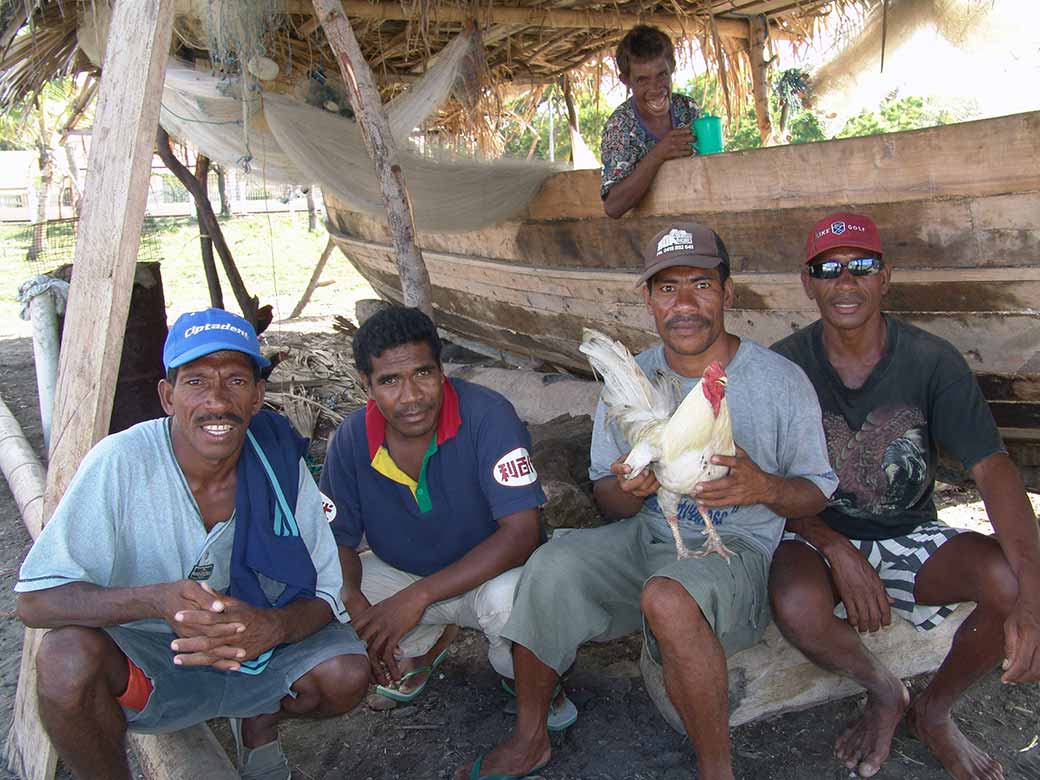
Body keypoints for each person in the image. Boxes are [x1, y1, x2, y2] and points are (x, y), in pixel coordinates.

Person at [455, 223, 839, 780]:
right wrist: (630, 489)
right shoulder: (629, 377)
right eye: (666, 288)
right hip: (648, 534)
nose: (684, 303)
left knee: (667, 596)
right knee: (553, 564)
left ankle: (716, 768)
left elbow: (816, 490)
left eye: (701, 284)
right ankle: (530, 735)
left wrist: (767, 487)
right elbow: (609, 497)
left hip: (733, 547)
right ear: (648, 300)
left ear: (728, 292)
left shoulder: (780, 382)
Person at [15, 308, 369, 780]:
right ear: (167, 396)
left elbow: (328, 591)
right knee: (64, 662)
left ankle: (258, 722)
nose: (217, 401)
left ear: (258, 395)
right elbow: (36, 602)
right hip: (151, 656)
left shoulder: (278, 460)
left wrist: (273, 626)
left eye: (236, 381)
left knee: (345, 675)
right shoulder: (119, 462)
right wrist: (153, 599)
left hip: (253, 649)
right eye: (196, 381)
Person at [770, 212, 1040, 780]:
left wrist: (1033, 599)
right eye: (829, 268)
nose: (846, 282)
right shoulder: (782, 366)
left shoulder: (931, 360)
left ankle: (935, 712)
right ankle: (885, 690)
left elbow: (992, 470)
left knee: (1008, 582)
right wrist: (837, 549)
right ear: (807, 281)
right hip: (811, 534)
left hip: (908, 533)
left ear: (885, 278)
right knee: (796, 602)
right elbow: (761, 484)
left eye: (861, 267)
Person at [318, 307, 567, 720]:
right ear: (367, 385)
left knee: (516, 604)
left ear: (442, 369)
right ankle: (424, 645)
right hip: (404, 573)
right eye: (389, 381)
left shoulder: (488, 415)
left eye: (423, 373)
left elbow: (523, 533)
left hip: (489, 578)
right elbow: (336, 542)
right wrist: (356, 605)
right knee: (330, 606)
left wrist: (418, 597)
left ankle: (537, 681)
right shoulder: (350, 438)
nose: (411, 396)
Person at [600, 25, 700, 220]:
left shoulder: (687, 108)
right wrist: (658, 155)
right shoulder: (620, 126)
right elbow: (613, 207)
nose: (655, 88)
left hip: (693, 215)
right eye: (642, 80)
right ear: (626, 80)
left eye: (662, 75)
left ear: (672, 67)